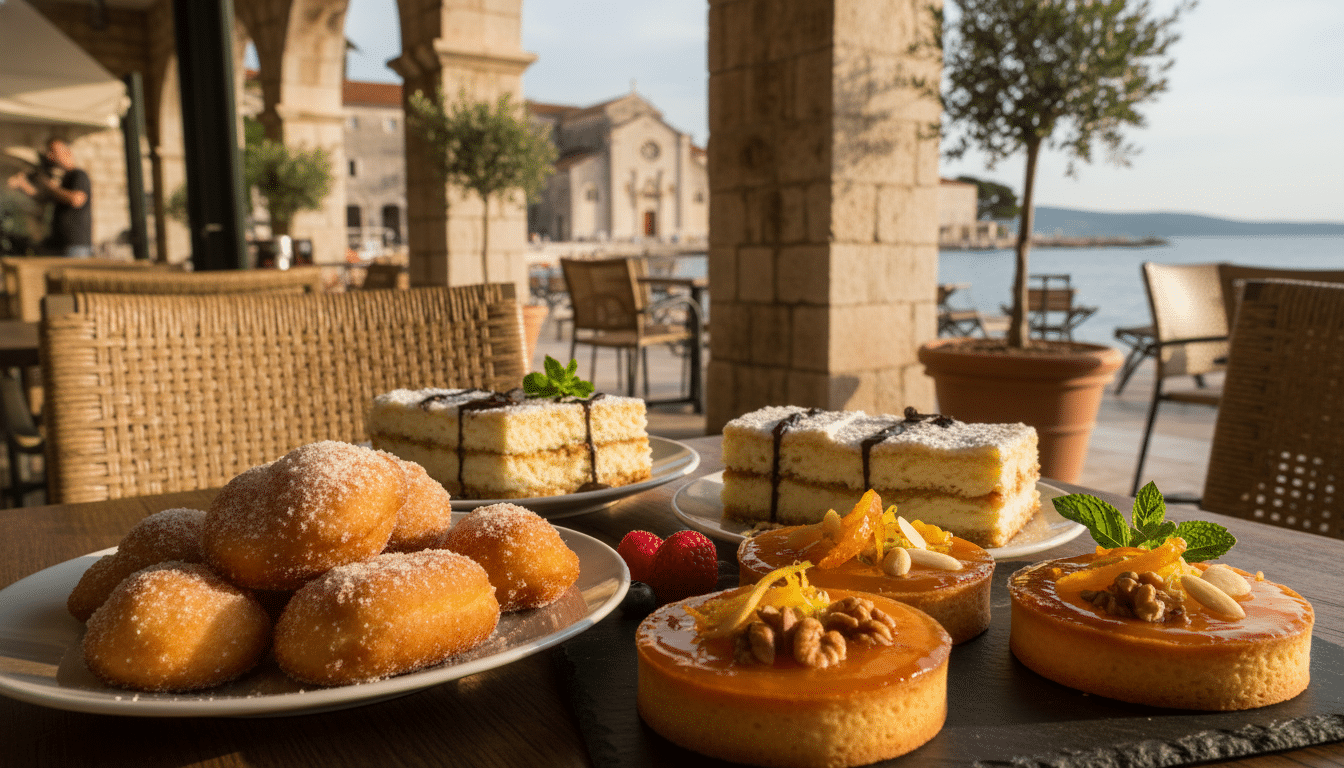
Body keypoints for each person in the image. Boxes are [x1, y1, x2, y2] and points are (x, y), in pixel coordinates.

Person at [5, 138, 93, 257]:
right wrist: (22, 185)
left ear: (67, 152)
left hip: (75, 246)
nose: (49, 155)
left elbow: (76, 200)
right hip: (58, 245)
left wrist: (49, 186)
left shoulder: (79, 175)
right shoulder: (63, 180)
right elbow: (43, 198)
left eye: (53, 151)